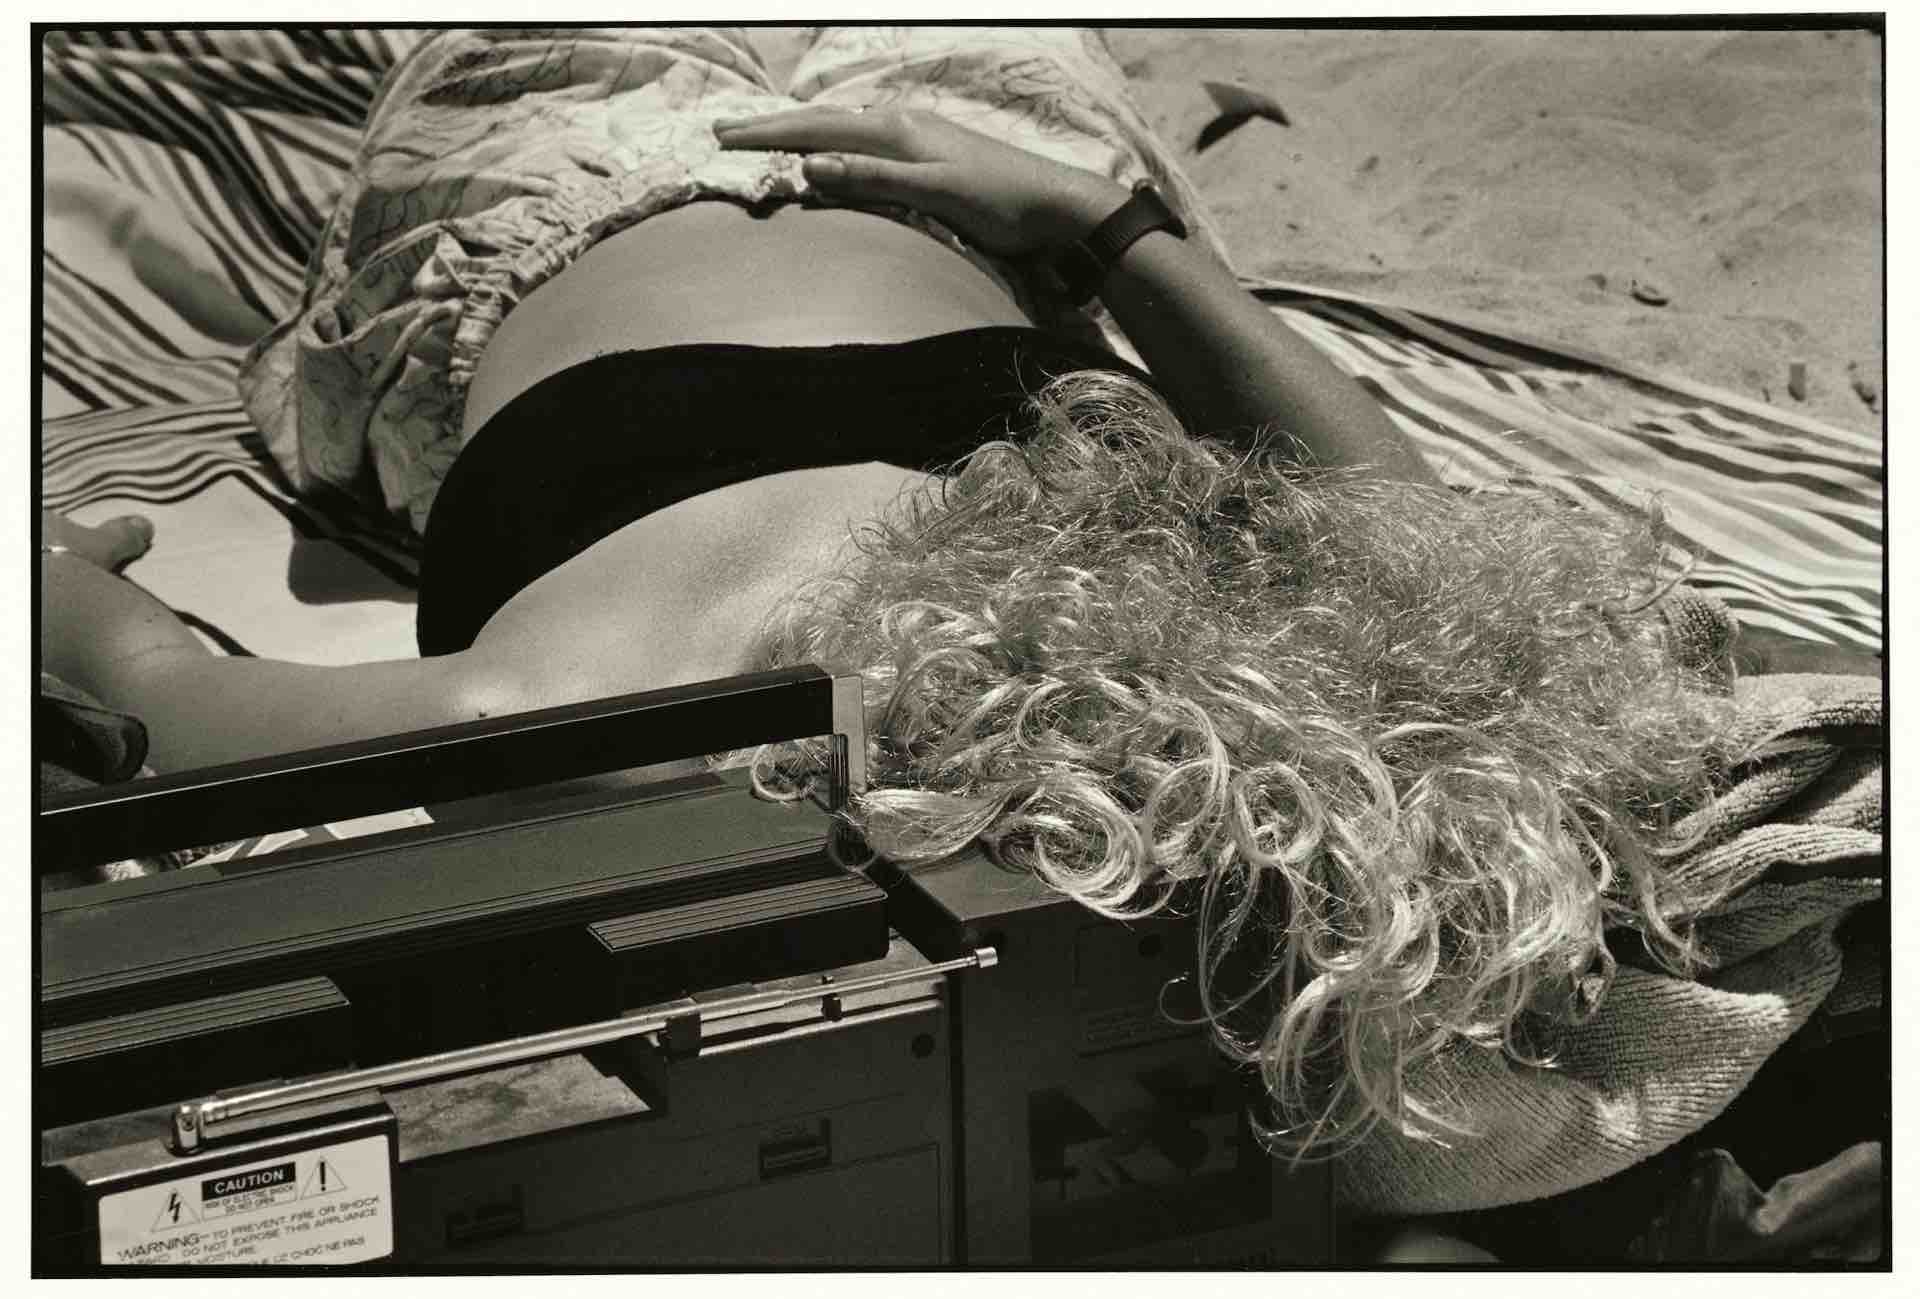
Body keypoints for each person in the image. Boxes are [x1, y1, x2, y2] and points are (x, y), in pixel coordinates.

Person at [41, 28, 1738, 1159]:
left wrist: (1112, 226)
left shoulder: (639, 708)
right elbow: (1432, 540)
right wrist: (1102, 215)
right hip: (998, 181)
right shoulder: (1246, 650)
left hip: (556, 204)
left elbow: (153, 717)